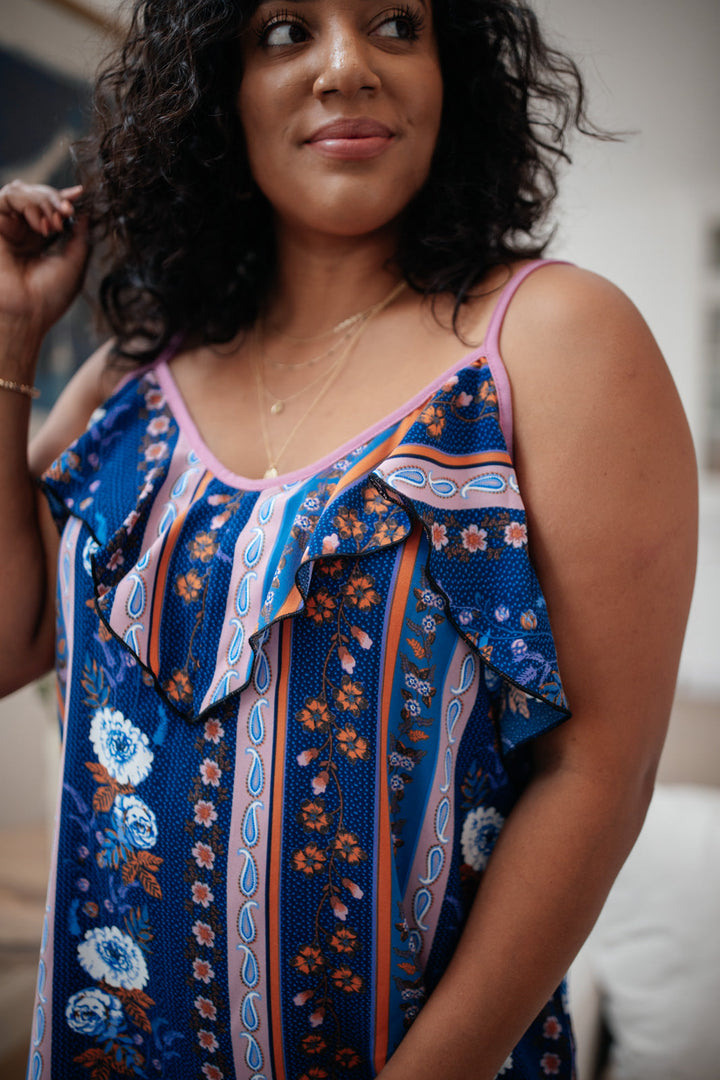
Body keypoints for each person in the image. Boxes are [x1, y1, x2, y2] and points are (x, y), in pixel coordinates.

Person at [0, 1, 697, 1078]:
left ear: (451, 71)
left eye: (394, 23)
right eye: (285, 29)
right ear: (215, 88)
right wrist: (10, 340)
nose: (345, 67)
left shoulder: (553, 341)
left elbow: (598, 770)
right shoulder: (140, 372)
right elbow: (13, 641)